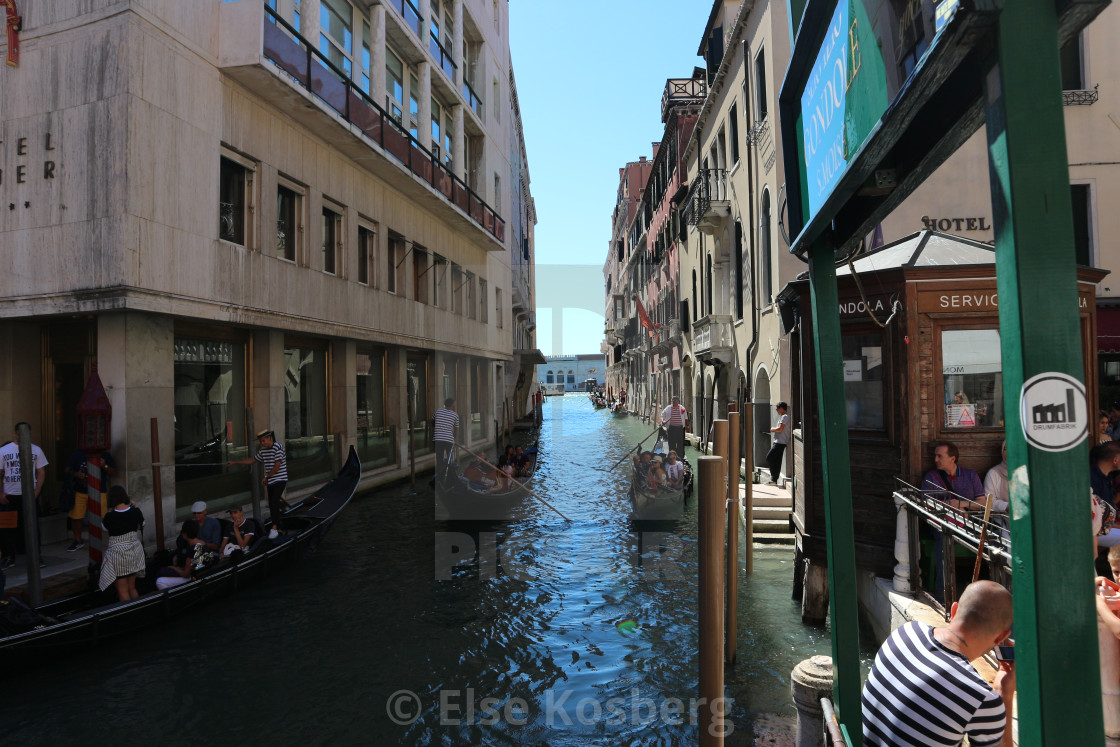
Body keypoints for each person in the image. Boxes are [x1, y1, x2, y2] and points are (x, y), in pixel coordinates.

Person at [863, 580, 1015, 747]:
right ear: (1002, 637)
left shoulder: (905, 632)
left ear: (954, 609)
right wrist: (1003, 692)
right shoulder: (982, 698)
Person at [0, 423, 49, 570]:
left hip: (29, 494)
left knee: (32, 526)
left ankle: (36, 556)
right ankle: (9, 556)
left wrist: (37, 490)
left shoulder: (36, 450)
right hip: (10, 494)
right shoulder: (4, 450)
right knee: (8, 528)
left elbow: (41, 471)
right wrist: (0, 493)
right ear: (15, 433)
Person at [228, 428, 288, 530]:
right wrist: (235, 462)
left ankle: (276, 526)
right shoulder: (263, 450)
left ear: (269, 438)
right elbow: (252, 461)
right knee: (272, 503)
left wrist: (266, 477)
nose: (262, 443)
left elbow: (277, 467)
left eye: (263, 440)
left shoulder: (278, 448)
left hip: (280, 479)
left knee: (273, 502)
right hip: (270, 480)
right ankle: (280, 512)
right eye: (260, 441)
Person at [63, 448, 118, 552]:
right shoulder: (77, 454)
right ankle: (78, 541)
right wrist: (76, 474)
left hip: (99, 491)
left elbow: (114, 472)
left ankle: (111, 541)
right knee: (76, 516)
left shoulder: (104, 455)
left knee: (104, 518)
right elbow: (66, 470)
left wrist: (104, 465)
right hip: (79, 491)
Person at [99, 486, 146, 602]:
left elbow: (104, 528)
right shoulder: (136, 511)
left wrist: (111, 510)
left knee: (122, 590)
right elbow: (142, 524)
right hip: (134, 551)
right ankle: (138, 611)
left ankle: (129, 616)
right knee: (132, 587)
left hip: (119, 555)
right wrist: (132, 506)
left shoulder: (110, 516)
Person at [432, 398, 460, 478]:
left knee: (439, 458)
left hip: (438, 439)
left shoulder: (438, 411)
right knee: (450, 458)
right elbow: (456, 430)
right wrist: (454, 439)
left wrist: (437, 429)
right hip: (448, 440)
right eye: (454, 404)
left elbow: (433, 421)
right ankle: (450, 476)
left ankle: (440, 475)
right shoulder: (455, 415)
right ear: (452, 405)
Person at [982, 441, 1010, 513]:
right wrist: (1006, 506)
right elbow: (989, 501)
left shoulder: (1028, 471)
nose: (1009, 451)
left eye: (1013, 447)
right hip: (1002, 520)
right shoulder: (993, 473)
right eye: (1005, 449)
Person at [766, 402, 790, 486]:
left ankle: (773, 478)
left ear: (782, 408)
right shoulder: (784, 417)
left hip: (780, 442)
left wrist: (772, 429)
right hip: (780, 442)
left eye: (777, 408)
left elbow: (780, 429)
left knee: (769, 458)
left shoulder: (785, 417)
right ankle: (774, 480)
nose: (776, 410)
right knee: (776, 460)